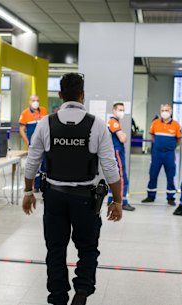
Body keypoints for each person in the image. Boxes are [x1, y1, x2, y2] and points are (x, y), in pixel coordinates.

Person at [22, 73, 123, 305]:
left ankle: (58, 297)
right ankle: (82, 292)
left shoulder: (45, 123)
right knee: (88, 248)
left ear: (60, 95)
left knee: (55, 250)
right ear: (82, 95)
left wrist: (28, 192)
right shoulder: (96, 124)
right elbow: (110, 167)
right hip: (86, 199)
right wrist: (117, 200)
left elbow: (32, 162)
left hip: (55, 196)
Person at [142, 104, 182, 206]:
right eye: (163, 110)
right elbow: (152, 136)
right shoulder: (155, 123)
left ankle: (170, 197)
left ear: (171, 112)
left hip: (169, 154)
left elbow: (179, 140)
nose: (164, 112)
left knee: (170, 175)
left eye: (166, 110)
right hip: (157, 153)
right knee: (153, 174)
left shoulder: (176, 125)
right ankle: (150, 195)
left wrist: (171, 147)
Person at [107, 103, 135, 211]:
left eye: (123, 110)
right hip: (117, 151)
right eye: (119, 109)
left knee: (113, 177)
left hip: (114, 150)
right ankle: (123, 202)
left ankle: (111, 199)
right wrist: (125, 135)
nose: (121, 112)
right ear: (114, 110)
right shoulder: (114, 122)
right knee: (122, 177)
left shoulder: (114, 122)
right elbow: (122, 138)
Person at [19, 95, 48, 191]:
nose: (36, 102)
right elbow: (22, 130)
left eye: (37, 100)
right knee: (33, 163)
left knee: (44, 164)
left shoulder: (43, 111)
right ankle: (35, 186)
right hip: (33, 143)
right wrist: (28, 142)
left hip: (44, 143)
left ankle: (42, 185)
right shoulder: (25, 113)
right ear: (29, 102)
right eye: (33, 100)